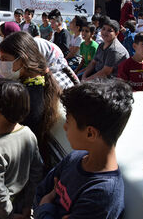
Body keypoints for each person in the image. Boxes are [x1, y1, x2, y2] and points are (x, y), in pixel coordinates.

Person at [34, 79, 133, 219]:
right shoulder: (75, 157)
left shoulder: (103, 194)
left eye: (68, 121)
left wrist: (46, 206)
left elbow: (43, 199)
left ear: (90, 133)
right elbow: (41, 191)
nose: (65, 127)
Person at [0, 32, 65, 170]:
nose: (2, 64)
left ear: (22, 59)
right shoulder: (37, 83)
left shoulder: (27, 96)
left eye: (5, 59)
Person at [0, 80, 44, 219]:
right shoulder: (28, 134)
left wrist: (9, 216)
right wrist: (28, 205)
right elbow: (36, 173)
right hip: (20, 205)